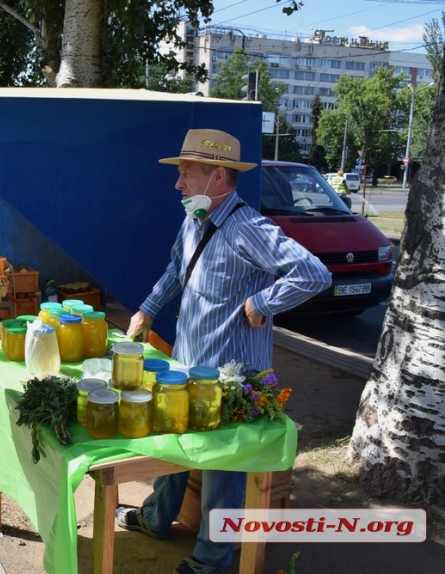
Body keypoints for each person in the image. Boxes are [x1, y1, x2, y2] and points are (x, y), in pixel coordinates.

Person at [114, 129, 331, 574]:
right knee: (176, 446)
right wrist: (148, 310)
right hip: (188, 364)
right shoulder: (194, 217)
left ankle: (212, 559)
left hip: (231, 378)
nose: (178, 184)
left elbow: (313, 273)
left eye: (187, 173)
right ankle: (157, 518)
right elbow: (177, 268)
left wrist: (262, 303)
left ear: (217, 175)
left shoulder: (247, 227)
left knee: (221, 468)